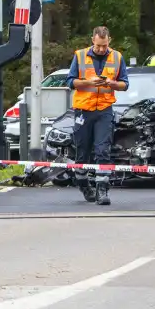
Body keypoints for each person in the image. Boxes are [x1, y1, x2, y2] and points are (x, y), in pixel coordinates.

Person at [66, 26, 129, 206]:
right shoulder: (80, 56)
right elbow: (70, 82)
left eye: (104, 45)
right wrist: (88, 82)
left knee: (103, 150)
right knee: (82, 151)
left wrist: (111, 83)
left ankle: (102, 190)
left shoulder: (117, 57)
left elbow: (125, 84)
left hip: (104, 110)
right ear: (92, 40)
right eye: (98, 45)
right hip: (83, 110)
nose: (101, 49)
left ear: (109, 40)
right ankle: (84, 185)